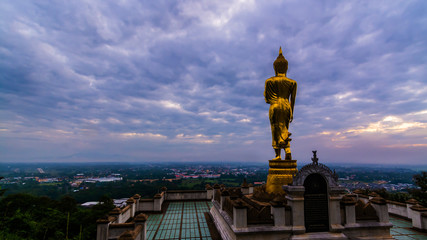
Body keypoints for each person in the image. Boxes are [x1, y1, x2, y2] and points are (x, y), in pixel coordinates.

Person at [264, 47, 297, 160]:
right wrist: (291, 112)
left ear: (275, 67)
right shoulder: (292, 83)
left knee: (275, 129)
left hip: (275, 105)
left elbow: (267, 98)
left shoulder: (269, 81)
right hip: (287, 106)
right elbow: (293, 100)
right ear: (286, 67)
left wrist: (274, 100)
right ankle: (287, 149)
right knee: (284, 129)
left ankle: (277, 155)